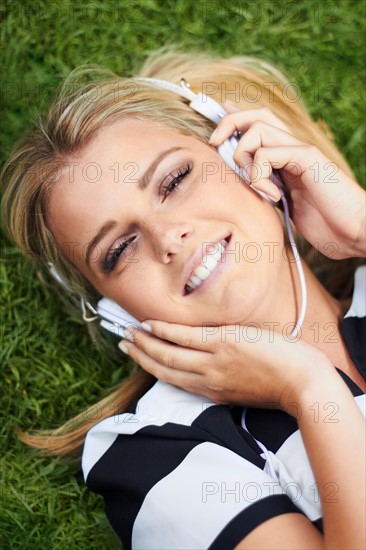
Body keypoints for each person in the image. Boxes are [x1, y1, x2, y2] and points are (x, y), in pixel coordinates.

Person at [1, 48, 365, 549]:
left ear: (245, 158)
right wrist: (311, 390)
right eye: (119, 249)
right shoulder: (154, 450)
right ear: (113, 311)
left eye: (174, 181)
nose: (168, 238)